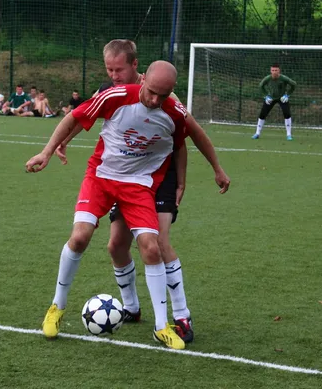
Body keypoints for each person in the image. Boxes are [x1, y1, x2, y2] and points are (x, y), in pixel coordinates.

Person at [26, 61, 230, 350]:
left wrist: (217, 169)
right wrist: (47, 151)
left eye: (164, 95)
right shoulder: (116, 96)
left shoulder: (174, 111)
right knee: (80, 237)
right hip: (101, 177)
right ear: (143, 79)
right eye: (152, 92)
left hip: (139, 185)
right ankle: (56, 308)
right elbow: (74, 117)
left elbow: (196, 137)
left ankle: (162, 326)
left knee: (151, 245)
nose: (156, 101)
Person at [252, 63, 297, 141]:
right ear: (270, 71)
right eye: (273, 70)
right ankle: (257, 133)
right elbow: (261, 86)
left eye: (276, 70)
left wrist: (287, 95)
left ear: (279, 71)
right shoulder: (267, 78)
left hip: (282, 98)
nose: (274, 72)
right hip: (271, 98)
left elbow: (294, 85)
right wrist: (266, 95)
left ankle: (289, 134)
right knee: (262, 114)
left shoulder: (284, 78)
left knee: (287, 114)